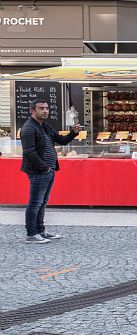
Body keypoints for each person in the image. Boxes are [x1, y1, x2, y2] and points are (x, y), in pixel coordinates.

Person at [19, 100, 80, 243]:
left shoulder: (45, 127)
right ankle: (31, 234)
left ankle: (40, 231)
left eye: (47, 108)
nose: (45, 111)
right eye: (41, 108)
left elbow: (62, 140)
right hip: (39, 171)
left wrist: (73, 133)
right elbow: (29, 152)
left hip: (49, 170)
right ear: (32, 110)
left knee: (42, 202)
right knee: (35, 203)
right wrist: (44, 168)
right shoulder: (28, 128)